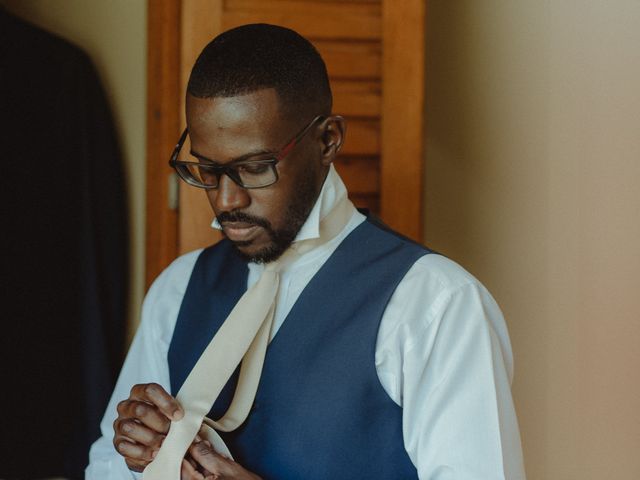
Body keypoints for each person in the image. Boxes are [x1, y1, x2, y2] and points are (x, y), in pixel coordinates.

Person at [87, 24, 525, 479]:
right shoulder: (177, 289)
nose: (225, 201)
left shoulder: (435, 304)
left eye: (254, 168)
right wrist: (142, 461)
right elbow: (104, 470)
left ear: (328, 139)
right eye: (207, 169)